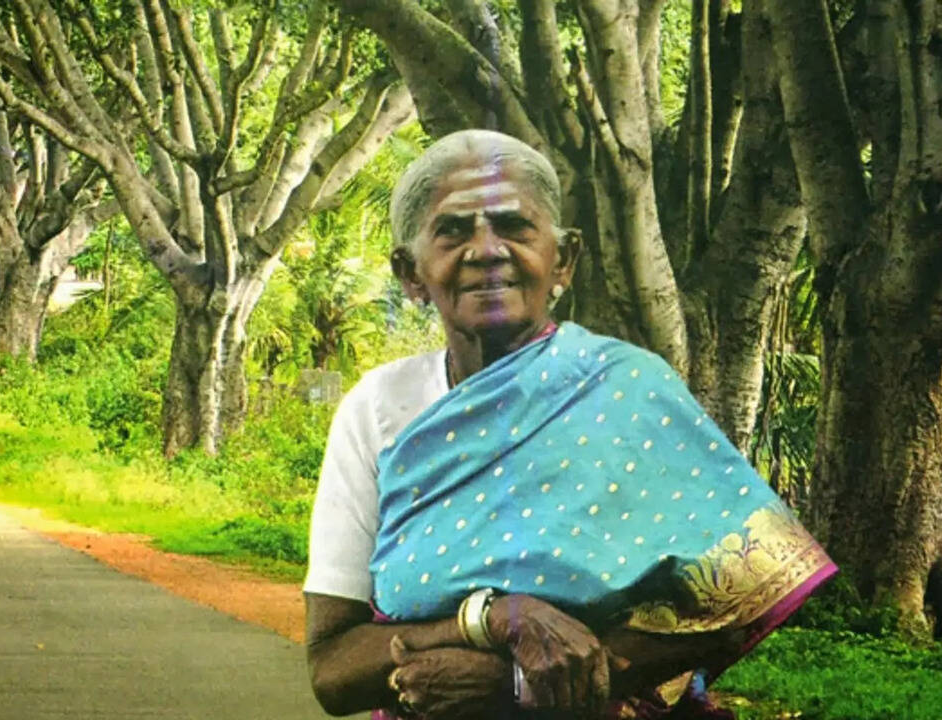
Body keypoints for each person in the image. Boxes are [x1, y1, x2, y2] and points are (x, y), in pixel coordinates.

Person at [303, 129, 836, 719]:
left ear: (565, 259)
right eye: (453, 230)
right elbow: (331, 668)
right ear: (410, 273)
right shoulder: (378, 408)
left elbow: (743, 595)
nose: (486, 249)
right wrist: (494, 619)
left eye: (514, 226)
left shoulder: (629, 388)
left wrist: (515, 688)